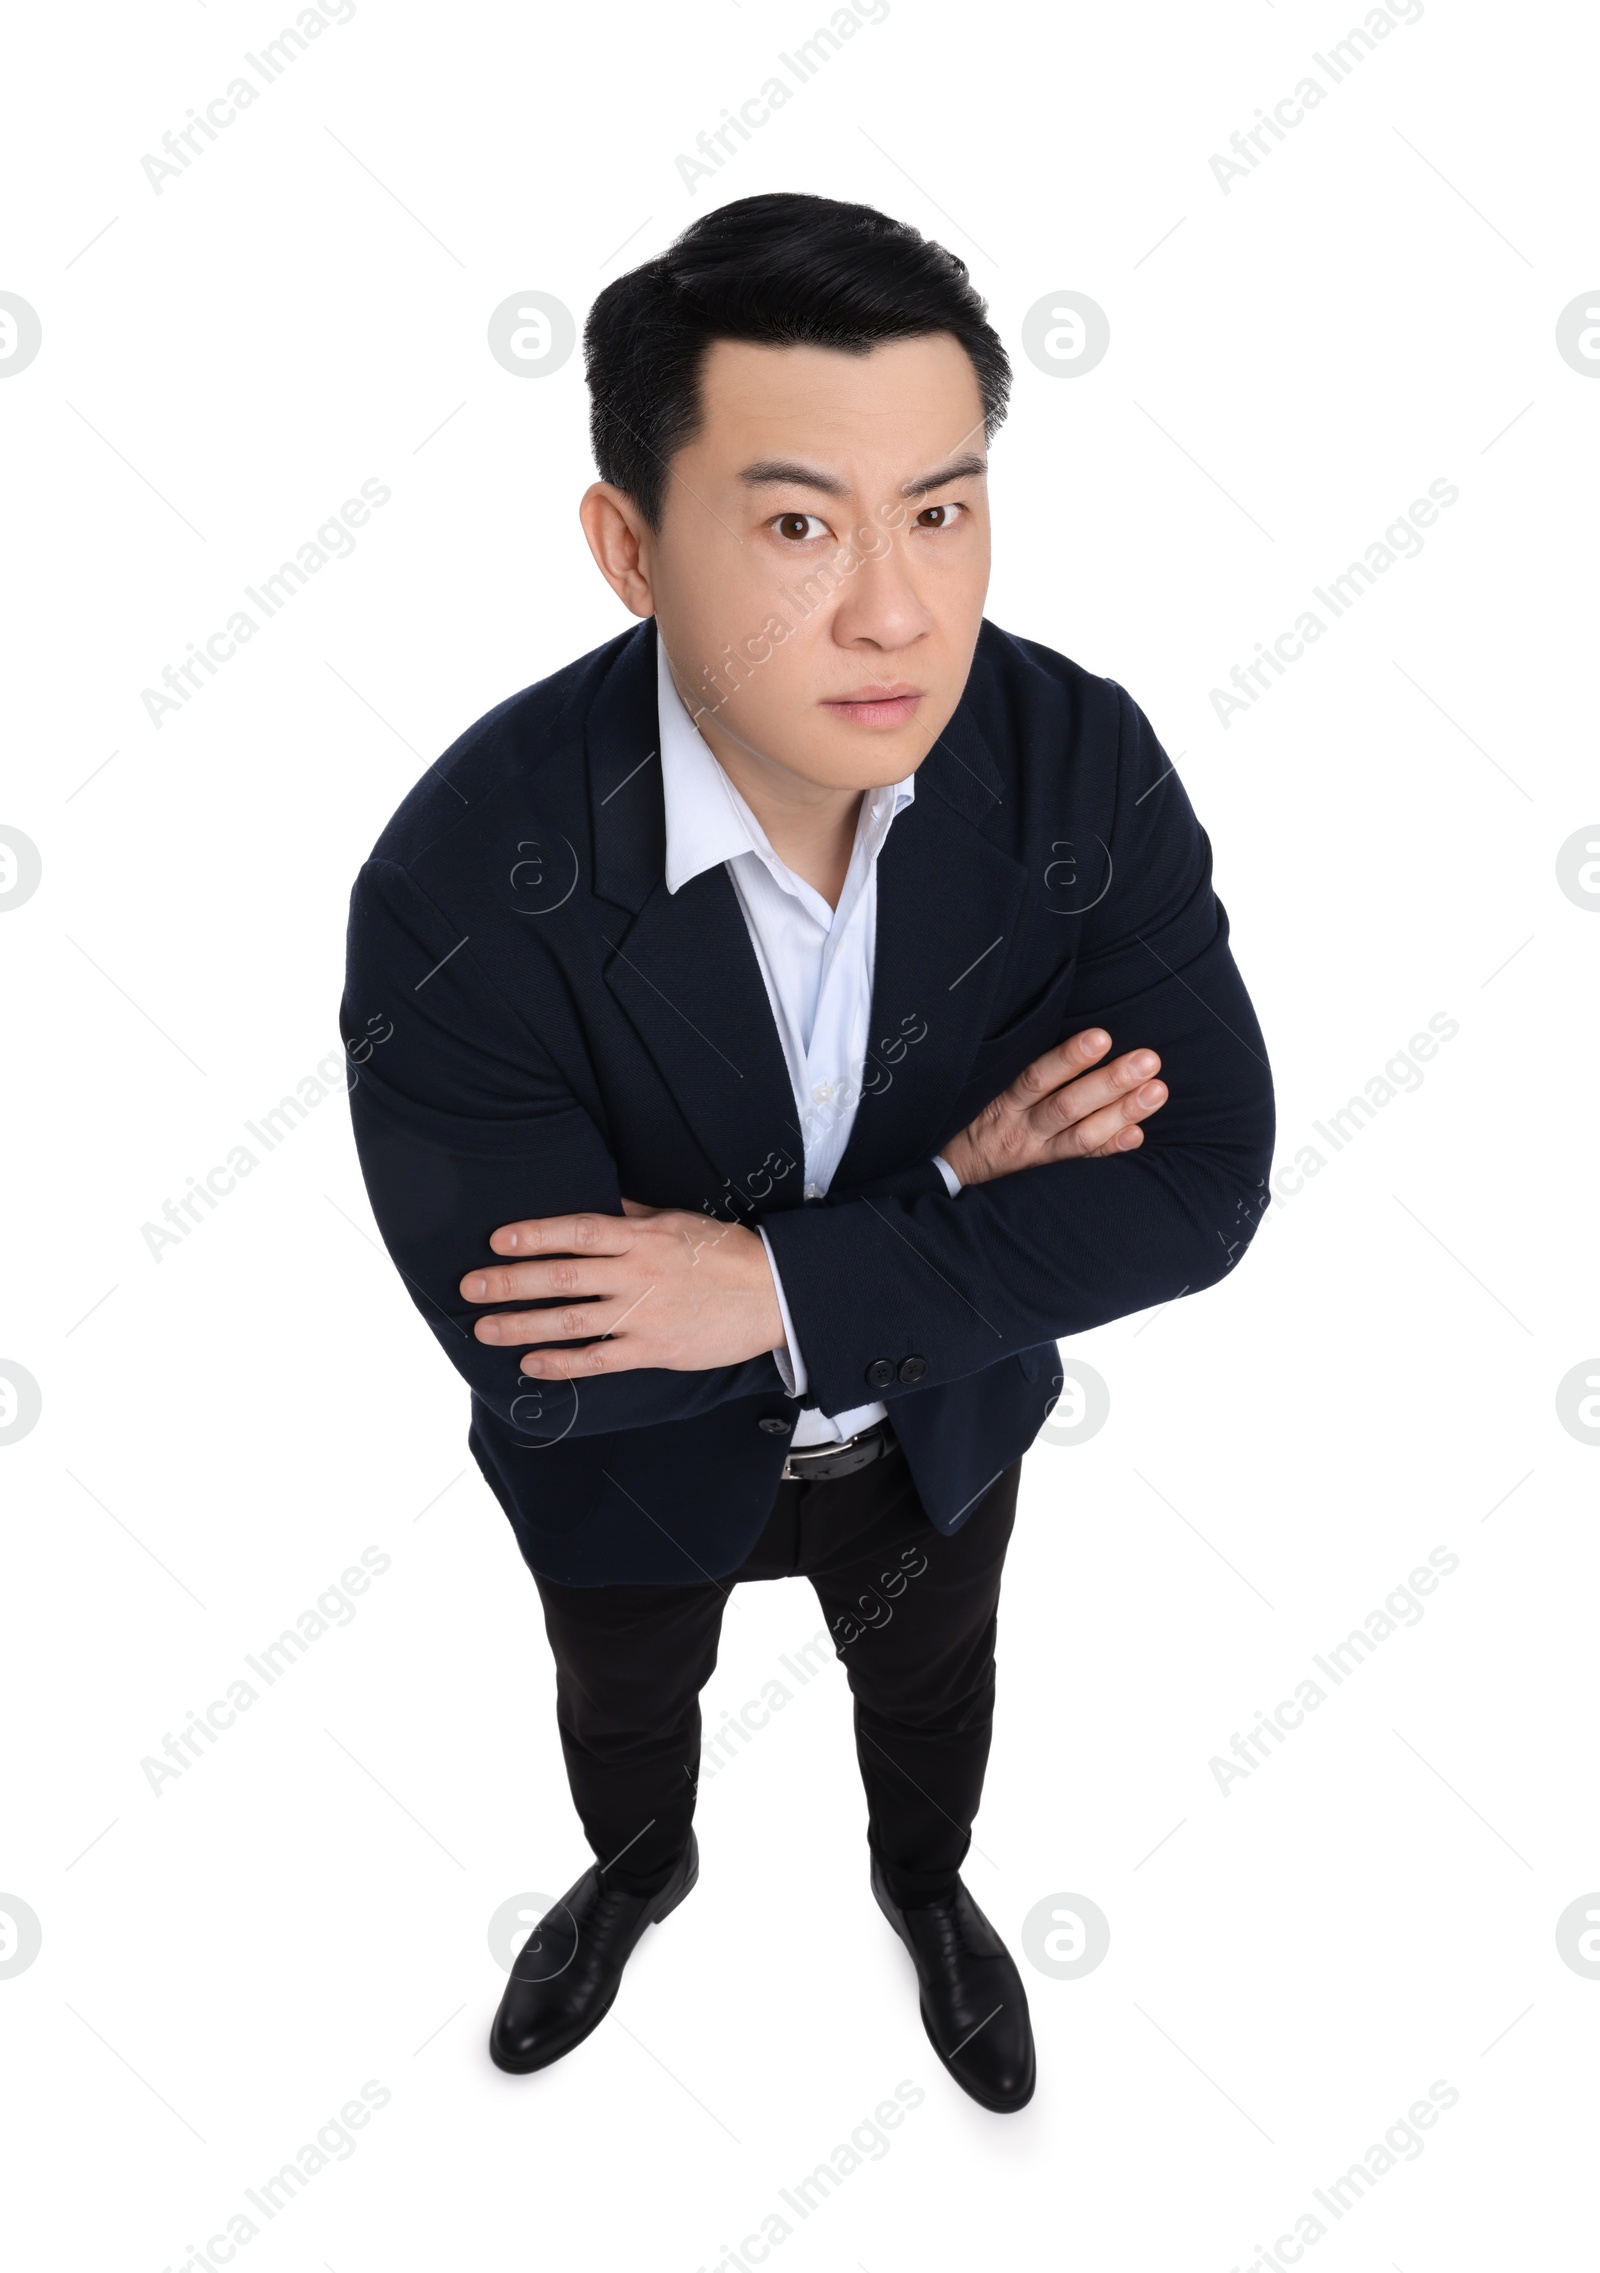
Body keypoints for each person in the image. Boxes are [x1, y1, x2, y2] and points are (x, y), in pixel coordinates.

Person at [339, 191, 1274, 2113]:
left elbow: (1200, 1183)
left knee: (934, 1698)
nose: (896, 610)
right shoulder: (460, 879)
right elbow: (554, 1335)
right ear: (629, 548)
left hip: (939, 1436)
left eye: (941, 509)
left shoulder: (1074, 763)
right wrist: (949, 1199)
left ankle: (923, 1890)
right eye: (794, 526)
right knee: (625, 1699)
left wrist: (757, 1281)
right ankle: (638, 1866)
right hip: (628, 1472)